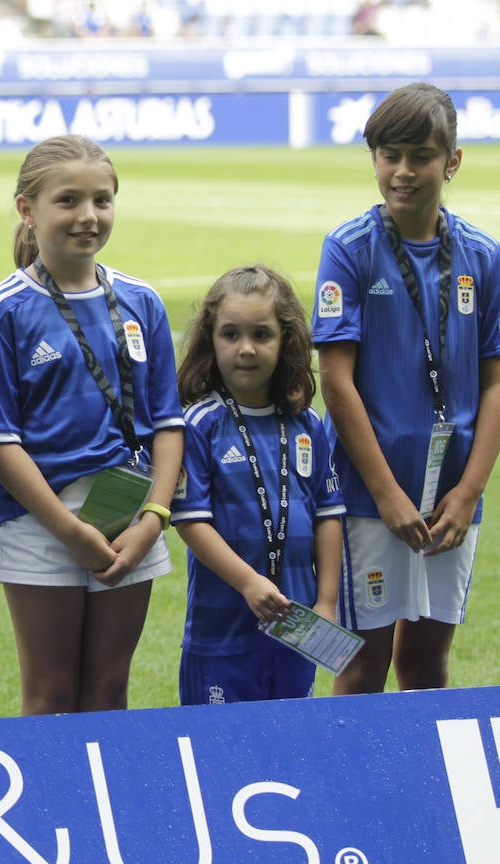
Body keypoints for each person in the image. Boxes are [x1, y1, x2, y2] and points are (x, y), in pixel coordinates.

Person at [312, 82, 500, 694]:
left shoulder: (480, 255)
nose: (402, 171)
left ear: (451, 161)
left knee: (427, 663)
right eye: (388, 155)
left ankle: (424, 789)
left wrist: (468, 493)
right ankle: (356, 790)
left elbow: (498, 380)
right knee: (361, 664)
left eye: (421, 156)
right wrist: (384, 494)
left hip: (451, 496)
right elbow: (336, 379)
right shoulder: (349, 249)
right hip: (365, 494)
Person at [0, 135, 182, 715]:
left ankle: (107, 806)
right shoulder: (2, 310)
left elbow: (168, 424)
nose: (88, 216)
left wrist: (154, 518)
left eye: (102, 200)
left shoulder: (142, 301)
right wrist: (68, 531)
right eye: (68, 201)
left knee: (110, 686)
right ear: (27, 210)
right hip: (42, 523)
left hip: (131, 516)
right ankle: (49, 809)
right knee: (51, 692)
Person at [172, 265, 346, 704]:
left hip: (297, 629)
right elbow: (191, 522)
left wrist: (325, 602)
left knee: (289, 748)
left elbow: (328, 515)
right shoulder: (200, 425)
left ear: (285, 340)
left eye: (261, 335)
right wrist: (249, 582)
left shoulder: (308, 424)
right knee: (220, 755)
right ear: (210, 341)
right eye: (230, 334)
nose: (245, 349)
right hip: (221, 635)